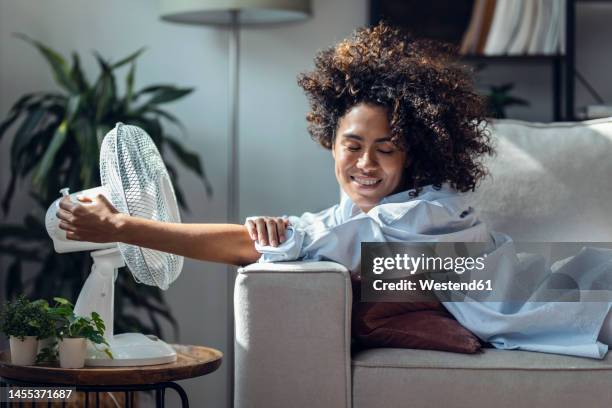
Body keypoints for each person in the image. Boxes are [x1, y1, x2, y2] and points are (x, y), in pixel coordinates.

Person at [58, 23, 612, 358]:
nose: (366, 162)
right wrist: (285, 234)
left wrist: (121, 227)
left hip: (580, 298)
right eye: (352, 145)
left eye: (387, 147)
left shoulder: (423, 215)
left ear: (413, 150)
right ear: (329, 141)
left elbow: (254, 246)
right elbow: (298, 236)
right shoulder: (360, 214)